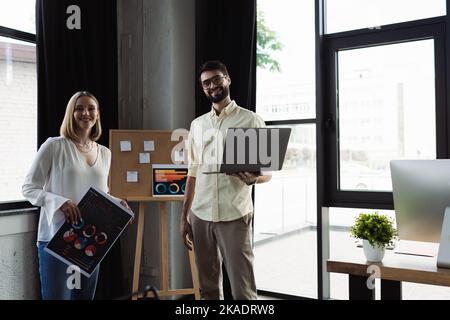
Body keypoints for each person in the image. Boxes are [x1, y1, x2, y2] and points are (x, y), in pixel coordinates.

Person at [180, 60, 272, 300]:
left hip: (234, 213)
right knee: (208, 287)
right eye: (206, 83)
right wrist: (184, 217)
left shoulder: (251, 120)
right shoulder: (197, 125)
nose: (212, 86)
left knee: (243, 289)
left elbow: (267, 172)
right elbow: (192, 173)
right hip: (200, 215)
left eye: (216, 79)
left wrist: (255, 179)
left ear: (227, 79)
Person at [22, 91, 125, 300]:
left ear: (97, 114)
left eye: (91, 108)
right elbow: (28, 188)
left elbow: (100, 193)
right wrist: (60, 202)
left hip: (90, 240)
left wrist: (117, 203)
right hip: (56, 238)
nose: (85, 113)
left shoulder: (105, 153)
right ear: (71, 113)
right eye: (79, 108)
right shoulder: (54, 146)